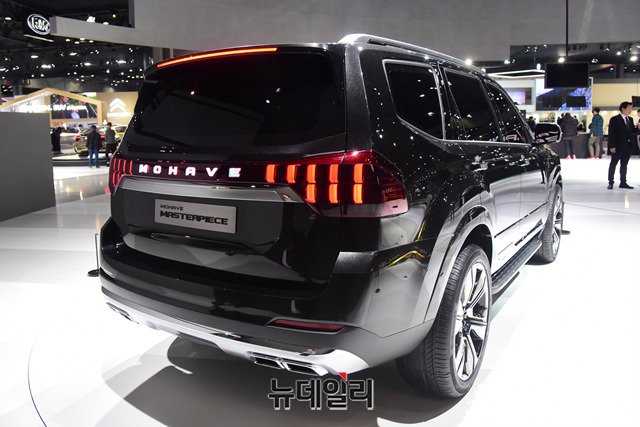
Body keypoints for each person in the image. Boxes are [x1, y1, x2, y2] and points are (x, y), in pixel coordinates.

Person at [607, 101, 637, 189]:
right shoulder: (614, 119)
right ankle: (611, 182)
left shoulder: (630, 119)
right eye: (629, 108)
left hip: (628, 146)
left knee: (624, 165)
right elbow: (611, 134)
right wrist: (612, 146)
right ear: (623, 109)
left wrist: (638, 129)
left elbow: (632, 131)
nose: (630, 110)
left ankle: (623, 182)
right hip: (617, 146)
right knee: (613, 164)